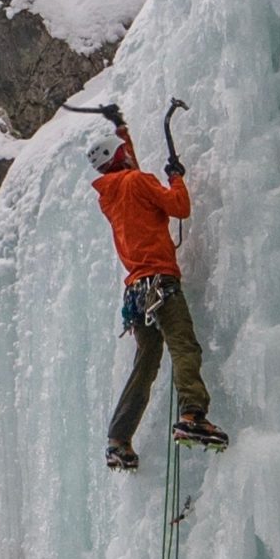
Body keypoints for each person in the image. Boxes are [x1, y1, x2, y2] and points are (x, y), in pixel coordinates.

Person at [89, 118, 227, 471]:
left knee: (146, 363)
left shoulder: (110, 195)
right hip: (160, 283)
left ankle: (118, 439)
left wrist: (123, 134)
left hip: (136, 294)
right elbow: (179, 207)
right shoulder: (138, 181)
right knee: (184, 345)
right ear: (121, 158)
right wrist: (176, 177)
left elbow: (127, 168)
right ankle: (193, 414)